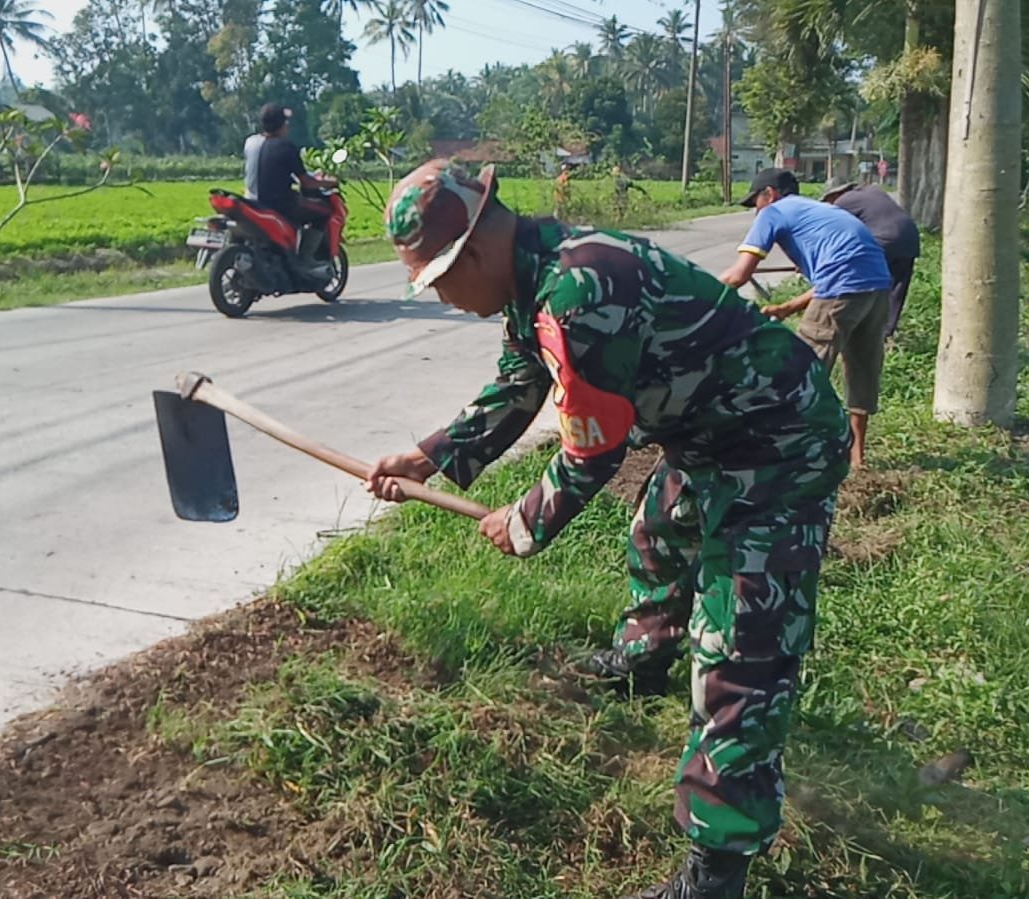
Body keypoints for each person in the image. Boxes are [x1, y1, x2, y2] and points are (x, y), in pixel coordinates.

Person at [365, 159, 851, 899]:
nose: (439, 296)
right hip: (711, 436)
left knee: (742, 644)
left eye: (438, 276)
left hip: (778, 443)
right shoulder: (539, 279)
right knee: (659, 534)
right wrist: (430, 455)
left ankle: (713, 871)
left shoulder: (577, 290)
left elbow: (593, 444)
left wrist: (524, 519)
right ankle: (641, 658)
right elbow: (519, 380)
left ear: (477, 247)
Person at [719, 168, 890, 469]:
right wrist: (787, 308)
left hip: (845, 285)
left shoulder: (773, 212)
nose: (755, 211)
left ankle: (787, 456)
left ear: (769, 194)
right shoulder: (819, 210)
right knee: (863, 368)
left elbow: (738, 275)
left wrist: (693, 292)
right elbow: (839, 278)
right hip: (877, 286)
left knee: (798, 369)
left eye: (755, 202)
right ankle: (857, 458)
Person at [820, 180, 921, 339]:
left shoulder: (843, 201)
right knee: (896, 288)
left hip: (884, 239)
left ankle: (853, 329)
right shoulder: (873, 191)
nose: (829, 203)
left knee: (860, 281)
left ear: (836, 193)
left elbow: (832, 232)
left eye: (829, 199)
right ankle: (887, 333)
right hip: (910, 239)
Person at [253, 103, 337, 274]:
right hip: (283, 204)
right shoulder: (286, 147)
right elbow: (306, 182)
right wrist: (329, 182)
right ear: (281, 125)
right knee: (323, 212)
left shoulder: (256, 144)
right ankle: (305, 259)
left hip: (258, 202)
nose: (288, 125)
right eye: (285, 122)